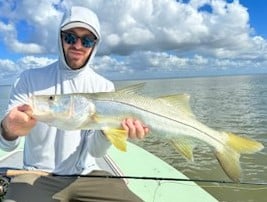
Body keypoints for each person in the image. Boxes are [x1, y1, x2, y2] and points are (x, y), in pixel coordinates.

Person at [0, 6, 149, 202]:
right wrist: (9, 129)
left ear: (95, 45)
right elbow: (7, 145)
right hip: (35, 175)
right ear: (60, 37)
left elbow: (95, 152)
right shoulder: (28, 79)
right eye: (70, 37)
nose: (78, 45)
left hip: (86, 175)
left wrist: (107, 131)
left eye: (87, 40)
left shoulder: (103, 86)